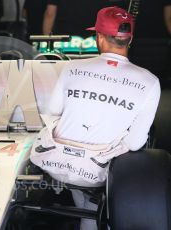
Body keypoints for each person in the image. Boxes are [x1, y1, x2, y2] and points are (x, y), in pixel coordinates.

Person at [31, 6, 161, 229]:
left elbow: (52, 112)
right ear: (130, 39)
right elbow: (136, 142)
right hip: (98, 170)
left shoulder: (71, 68)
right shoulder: (150, 82)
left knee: (84, 200)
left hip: (55, 162)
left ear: (99, 37)